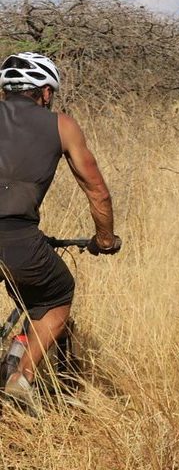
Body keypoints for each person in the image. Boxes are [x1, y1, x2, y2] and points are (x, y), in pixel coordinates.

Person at [0, 52, 121, 408]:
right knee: (56, 293)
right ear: (46, 92)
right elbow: (97, 190)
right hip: (17, 235)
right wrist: (105, 239)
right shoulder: (61, 125)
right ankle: (21, 377)